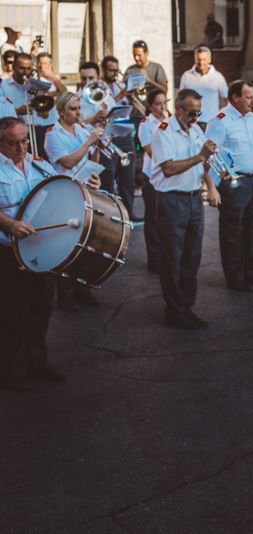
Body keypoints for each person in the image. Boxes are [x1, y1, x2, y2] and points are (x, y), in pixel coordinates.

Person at [0, 117, 100, 391]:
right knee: (14, 313)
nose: (21, 148)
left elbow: (64, 188)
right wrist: (9, 224)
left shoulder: (38, 164)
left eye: (24, 141)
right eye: (13, 143)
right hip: (8, 251)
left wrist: (89, 183)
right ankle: (12, 371)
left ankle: (37, 362)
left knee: (41, 308)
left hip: (42, 247)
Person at [150, 88, 219, 329]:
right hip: (171, 200)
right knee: (172, 258)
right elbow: (168, 168)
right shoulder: (164, 132)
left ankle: (186, 306)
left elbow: (202, 167)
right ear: (178, 109)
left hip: (192, 198)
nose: (195, 118)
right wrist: (200, 156)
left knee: (192, 257)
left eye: (198, 113)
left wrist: (211, 185)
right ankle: (174, 309)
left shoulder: (197, 129)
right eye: (191, 113)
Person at [43, 91, 105, 311]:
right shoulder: (53, 135)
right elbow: (68, 162)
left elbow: (91, 160)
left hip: (86, 189)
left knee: (87, 242)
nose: (78, 113)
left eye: (79, 108)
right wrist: (89, 141)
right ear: (61, 111)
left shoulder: (80, 130)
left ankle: (83, 289)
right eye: (73, 109)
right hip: (66, 192)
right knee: (69, 244)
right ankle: (66, 295)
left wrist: (97, 147)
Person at [205, 80, 253, 292]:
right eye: (248, 97)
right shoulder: (221, 120)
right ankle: (235, 277)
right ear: (235, 98)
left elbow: (252, 148)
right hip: (232, 182)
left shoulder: (251, 118)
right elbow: (209, 154)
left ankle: (251, 272)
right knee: (232, 231)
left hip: (252, 179)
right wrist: (212, 186)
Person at [78, 61, 138, 220]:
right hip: (96, 143)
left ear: (97, 77)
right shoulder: (78, 99)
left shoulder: (105, 94)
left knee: (127, 179)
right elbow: (76, 125)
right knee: (107, 180)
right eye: (84, 78)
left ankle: (128, 215)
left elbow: (117, 115)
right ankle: (110, 217)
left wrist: (110, 117)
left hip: (113, 137)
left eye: (91, 77)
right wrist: (94, 119)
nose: (87, 82)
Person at [0, 53, 58, 158]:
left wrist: (40, 94)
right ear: (13, 67)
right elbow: (2, 113)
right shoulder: (3, 86)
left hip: (43, 131)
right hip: (19, 134)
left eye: (28, 68)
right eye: (21, 68)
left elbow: (45, 115)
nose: (25, 72)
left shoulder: (38, 83)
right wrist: (17, 111)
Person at [137, 89, 169, 273]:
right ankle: (154, 260)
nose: (162, 107)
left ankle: (166, 256)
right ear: (150, 106)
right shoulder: (146, 124)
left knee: (166, 218)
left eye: (164, 103)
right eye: (158, 104)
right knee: (153, 219)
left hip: (167, 177)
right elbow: (150, 150)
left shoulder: (169, 122)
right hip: (152, 175)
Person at [179, 47, 228, 128]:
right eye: (198, 59)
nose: (201, 62)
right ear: (195, 60)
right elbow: (181, 99)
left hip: (212, 122)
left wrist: (221, 118)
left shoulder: (218, 77)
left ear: (209, 60)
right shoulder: (186, 76)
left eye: (204, 59)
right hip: (191, 123)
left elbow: (225, 99)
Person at [124, 40, 169, 120]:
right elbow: (123, 91)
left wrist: (149, 80)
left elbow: (164, 90)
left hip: (154, 114)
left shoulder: (157, 68)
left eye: (139, 55)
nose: (136, 58)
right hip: (135, 114)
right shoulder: (129, 70)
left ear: (146, 53)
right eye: (134, 55)